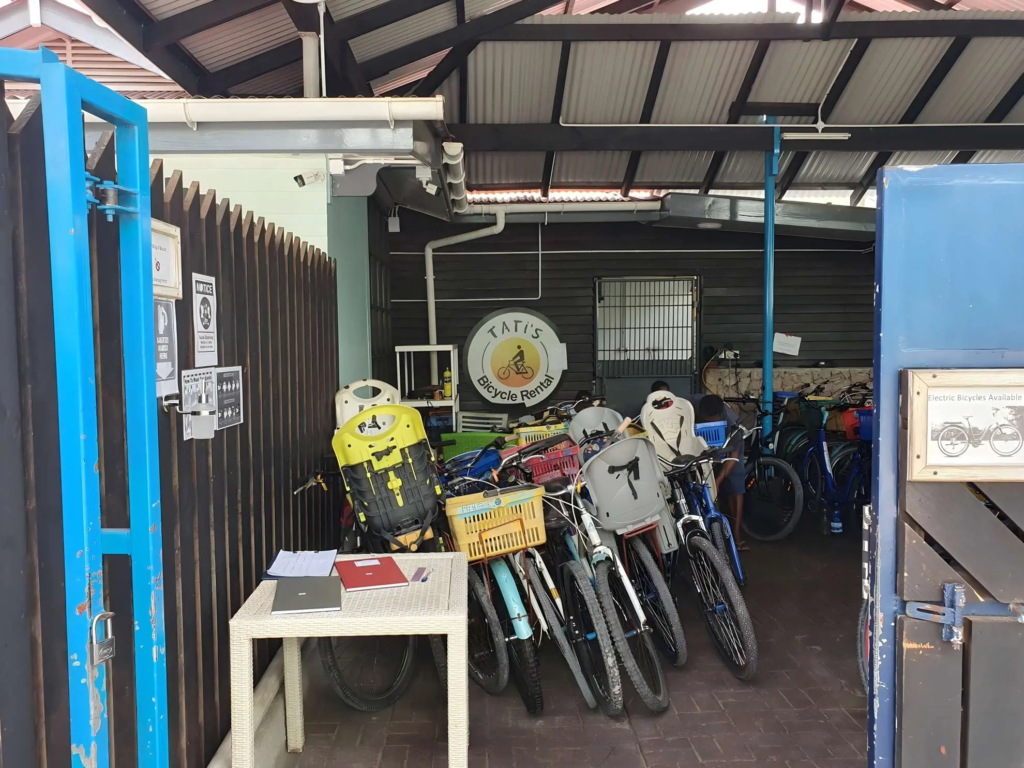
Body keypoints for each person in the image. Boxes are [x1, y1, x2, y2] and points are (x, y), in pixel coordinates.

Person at [691, 393, 748, 551]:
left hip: (728, 449)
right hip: (699, 447)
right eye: (705, 421)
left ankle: (736, 535)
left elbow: (733, 458)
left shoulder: (733, 423)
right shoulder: (690, 405)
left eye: (713, 421)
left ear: (720, 415)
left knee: (736, 485)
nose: (709, 424)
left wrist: (717, 482)